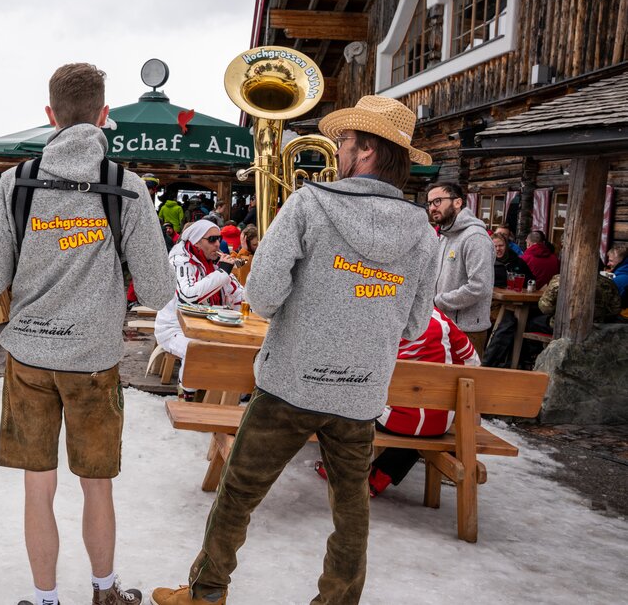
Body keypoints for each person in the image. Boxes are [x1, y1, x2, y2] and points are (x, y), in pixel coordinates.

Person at [152, 95, 440, 605]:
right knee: (351, 511)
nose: (337, 149)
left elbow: (261, 297)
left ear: (368, 150)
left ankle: (206, 594)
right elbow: (415, 324)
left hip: (290, 382)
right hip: (359, 392)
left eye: (345, 141)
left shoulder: (310, 202)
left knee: (239, 494)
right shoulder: (422, 228)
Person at [0, 62, 174, 605]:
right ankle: (104, 592)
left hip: (28, 357)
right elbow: (156, 289)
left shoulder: (17, 181)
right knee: (96, 484)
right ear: (105, 116)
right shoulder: (124, 184)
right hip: (94, 362)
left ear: (50, 116)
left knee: (39, 487)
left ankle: (46, 598)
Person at [317, 308, 480, 496]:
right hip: (438, 423)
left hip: (393, 420)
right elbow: (472, 362)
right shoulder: (440, 318)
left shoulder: (379, 318)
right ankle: (381, 474)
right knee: (415, 425)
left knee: (349, 408)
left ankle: (345, 471)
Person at [154, 220, 245, 396]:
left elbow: (238, 295)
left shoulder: (213, 262)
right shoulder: (180, 261)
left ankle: (231, 392)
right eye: (211, 239)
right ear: (196, 241)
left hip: (207, 326)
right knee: (198, 350)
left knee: (238, 348)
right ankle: (187, 392)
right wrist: (222, 272)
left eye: (219, 238)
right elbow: (188, 296)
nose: (218, 244)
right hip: (175, 328)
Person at [428, 181, 494, 354]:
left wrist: (437, 301)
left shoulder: (475, 237)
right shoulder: (444, 236)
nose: (432, 208)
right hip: (441, 324)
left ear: (457, 202)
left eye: (437, 201)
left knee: (466, 380)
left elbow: (480, 287)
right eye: (429, 203)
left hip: (468, 329)